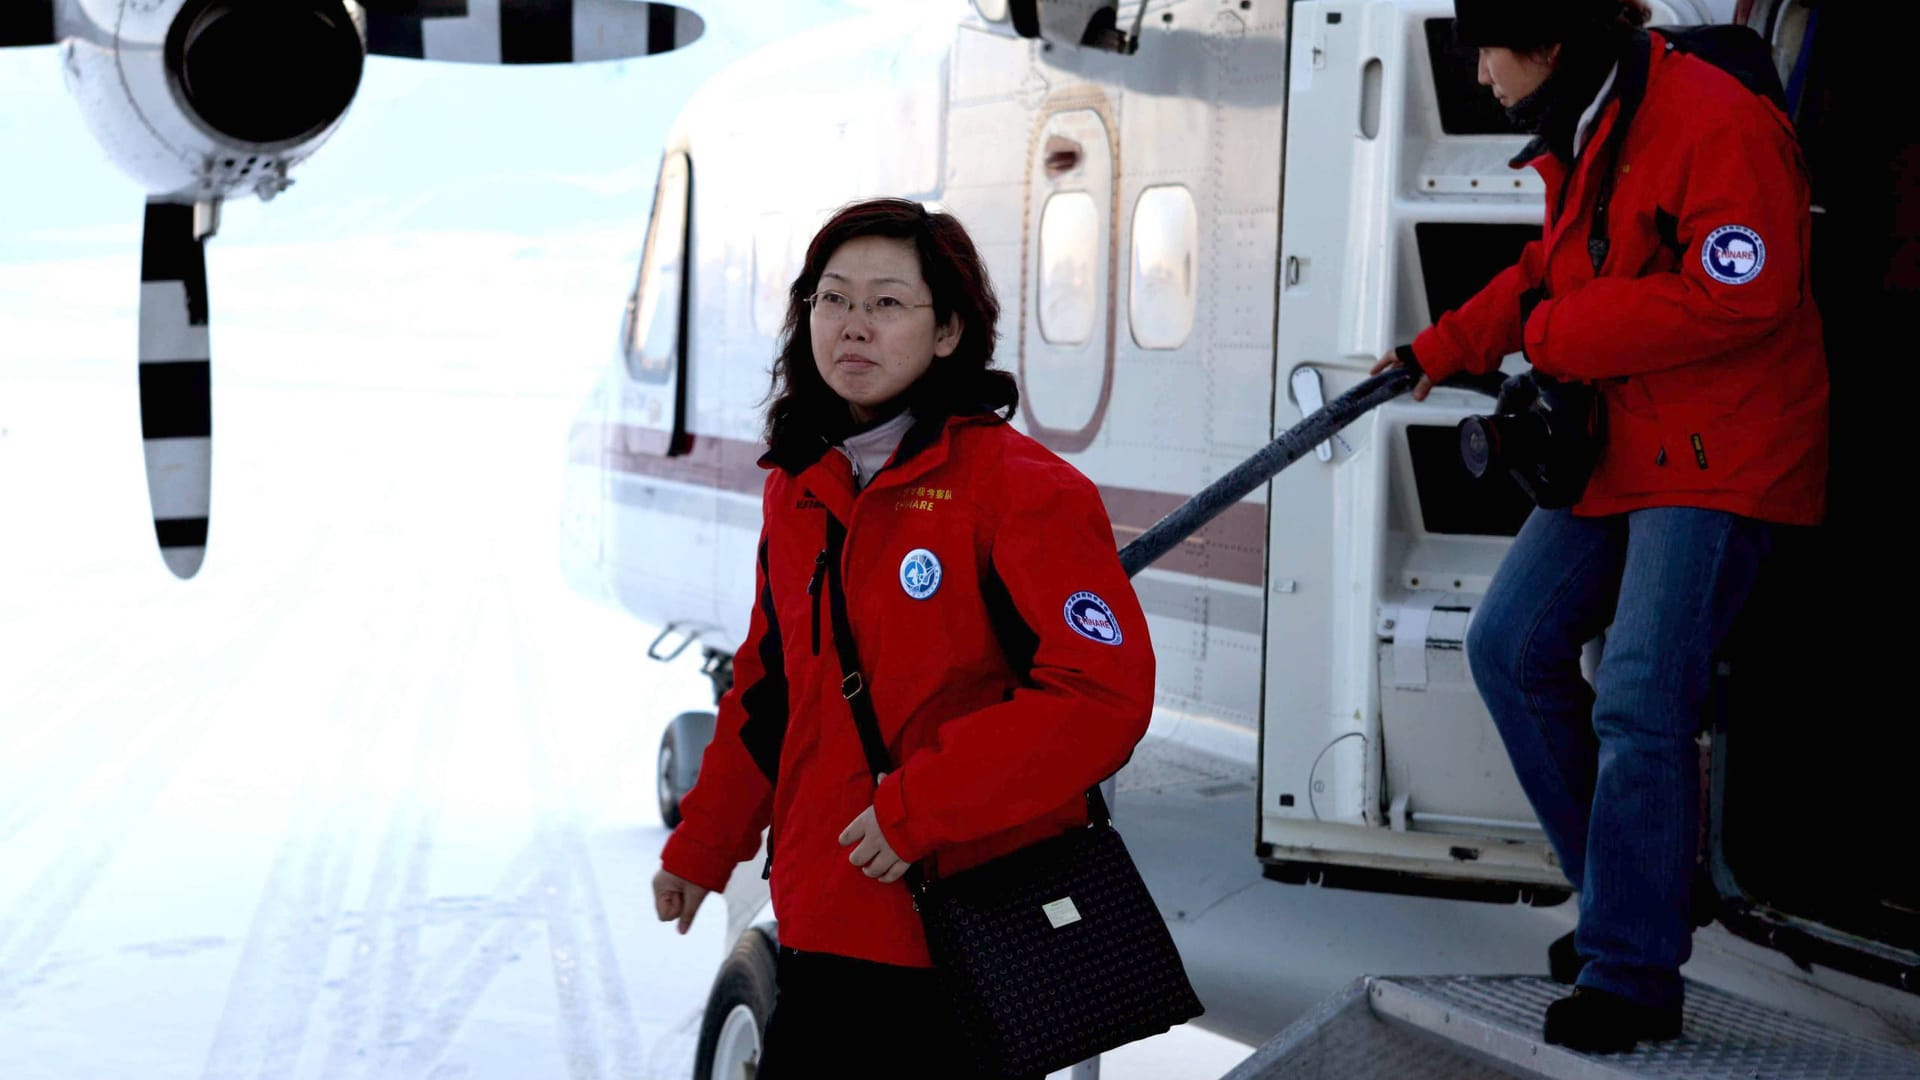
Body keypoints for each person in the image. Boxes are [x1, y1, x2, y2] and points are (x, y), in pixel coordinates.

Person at [1374, 0, 1829, 1055]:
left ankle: (1630, 973)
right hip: (1636, 435)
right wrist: (1433, 351)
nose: (1479, 73)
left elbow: (1745, 292)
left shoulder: (1711, 118)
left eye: (1487, 48)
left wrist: (1552, 338)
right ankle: (1642, 901)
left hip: (1725, 449)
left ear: (1549, 40)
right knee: (1508, 647)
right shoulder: (1597, 118)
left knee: (1639, 691)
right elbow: (1551, 274)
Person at [651, 197, 1156, 1076]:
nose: (854, 327)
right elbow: (770, 691)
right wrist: (705, 844)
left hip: (957, 941)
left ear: (950, 329)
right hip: (819, 924)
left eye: (888, 304)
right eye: (833, 299)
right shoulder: (802, 485)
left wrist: (921, 806)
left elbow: (1101, 696)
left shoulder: (1024, 491)